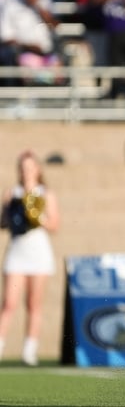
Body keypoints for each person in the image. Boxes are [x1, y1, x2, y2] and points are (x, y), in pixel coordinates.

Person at [0, 150, 60, 366]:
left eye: (30, 167)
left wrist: (37, 217)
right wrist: (12, 210)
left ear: (37, 169)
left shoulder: (46, 194)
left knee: (34, 304)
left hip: (38, 253)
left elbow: (54, 225)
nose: (26, 172)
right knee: (9, 302)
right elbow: (4, 223)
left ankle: (29, 351)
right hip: (17, 251)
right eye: (22, 168)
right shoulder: (12, 193)